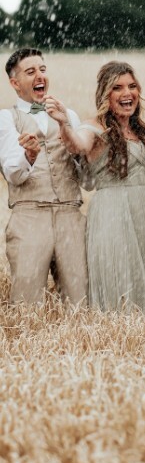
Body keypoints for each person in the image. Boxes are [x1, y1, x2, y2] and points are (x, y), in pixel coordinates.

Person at [48, 61, 145, 311]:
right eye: (118, 88)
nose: (127, 93)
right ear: (106, 95)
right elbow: (78, 145)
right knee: (120, 280)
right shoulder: (95, 127)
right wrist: (64, 124)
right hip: (113, 215)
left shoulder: (142, 131)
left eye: (132, 86)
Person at [0, 48, 87, 304]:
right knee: (26, 304)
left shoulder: (68, 115)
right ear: (15, 83)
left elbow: (87, 178)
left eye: (42, 69)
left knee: (81, 302)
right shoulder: (6, 118)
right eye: (30, 72)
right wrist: (28, 155)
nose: (40, 76)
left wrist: (66, 128)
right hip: (29, 216)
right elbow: (13, 175)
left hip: (71, 214)